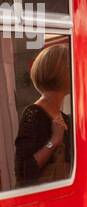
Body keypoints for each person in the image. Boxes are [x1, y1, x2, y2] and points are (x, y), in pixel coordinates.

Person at [14, 40, 73, 187]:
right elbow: (24, 171)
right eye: (71, 66)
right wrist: (53, 141)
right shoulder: (33, 115)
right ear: (62, 72)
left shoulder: (64, 118)